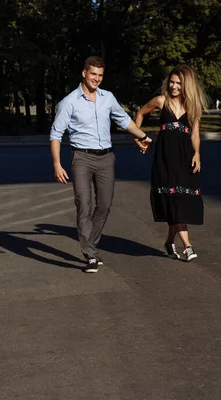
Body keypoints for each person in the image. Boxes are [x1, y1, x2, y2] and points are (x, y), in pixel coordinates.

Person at [50, 56, 152, 273]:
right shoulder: (70, 102)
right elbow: (56, 134)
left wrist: (142, 135)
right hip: (82, 159)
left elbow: (124, 120)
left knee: (104, 204)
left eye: (100, 75)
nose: (96, 79)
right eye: (93, 74)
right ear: (84, 73)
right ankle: (90, 255)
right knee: (84, 205)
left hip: (106, 158)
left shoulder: (108, 98)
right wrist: (57, 164)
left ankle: (91, 244)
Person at [134, 65, 209, 262]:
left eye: (179, 83)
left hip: (185, 157)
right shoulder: (161, 101)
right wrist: (138, 138)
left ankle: (169, 241)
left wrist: (197, 154)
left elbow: (194, 134)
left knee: (181, 201)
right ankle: (188, 247)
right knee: (174, 200)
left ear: (187, 86)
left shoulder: (193, 106)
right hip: (165, 156)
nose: (174, 86)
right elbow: (140, 114)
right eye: (172, 82)